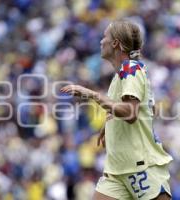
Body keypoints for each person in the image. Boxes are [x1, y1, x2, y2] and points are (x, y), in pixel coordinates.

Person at [60, 19, 173, 200]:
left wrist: (92, 95)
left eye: (104, 37)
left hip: (141, 167)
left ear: (115, 43)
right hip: (117, 170)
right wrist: (109, 126)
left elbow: (130, 113)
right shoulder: (120, 75)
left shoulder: (130, 69)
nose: (100, 41)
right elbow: (130, 108)